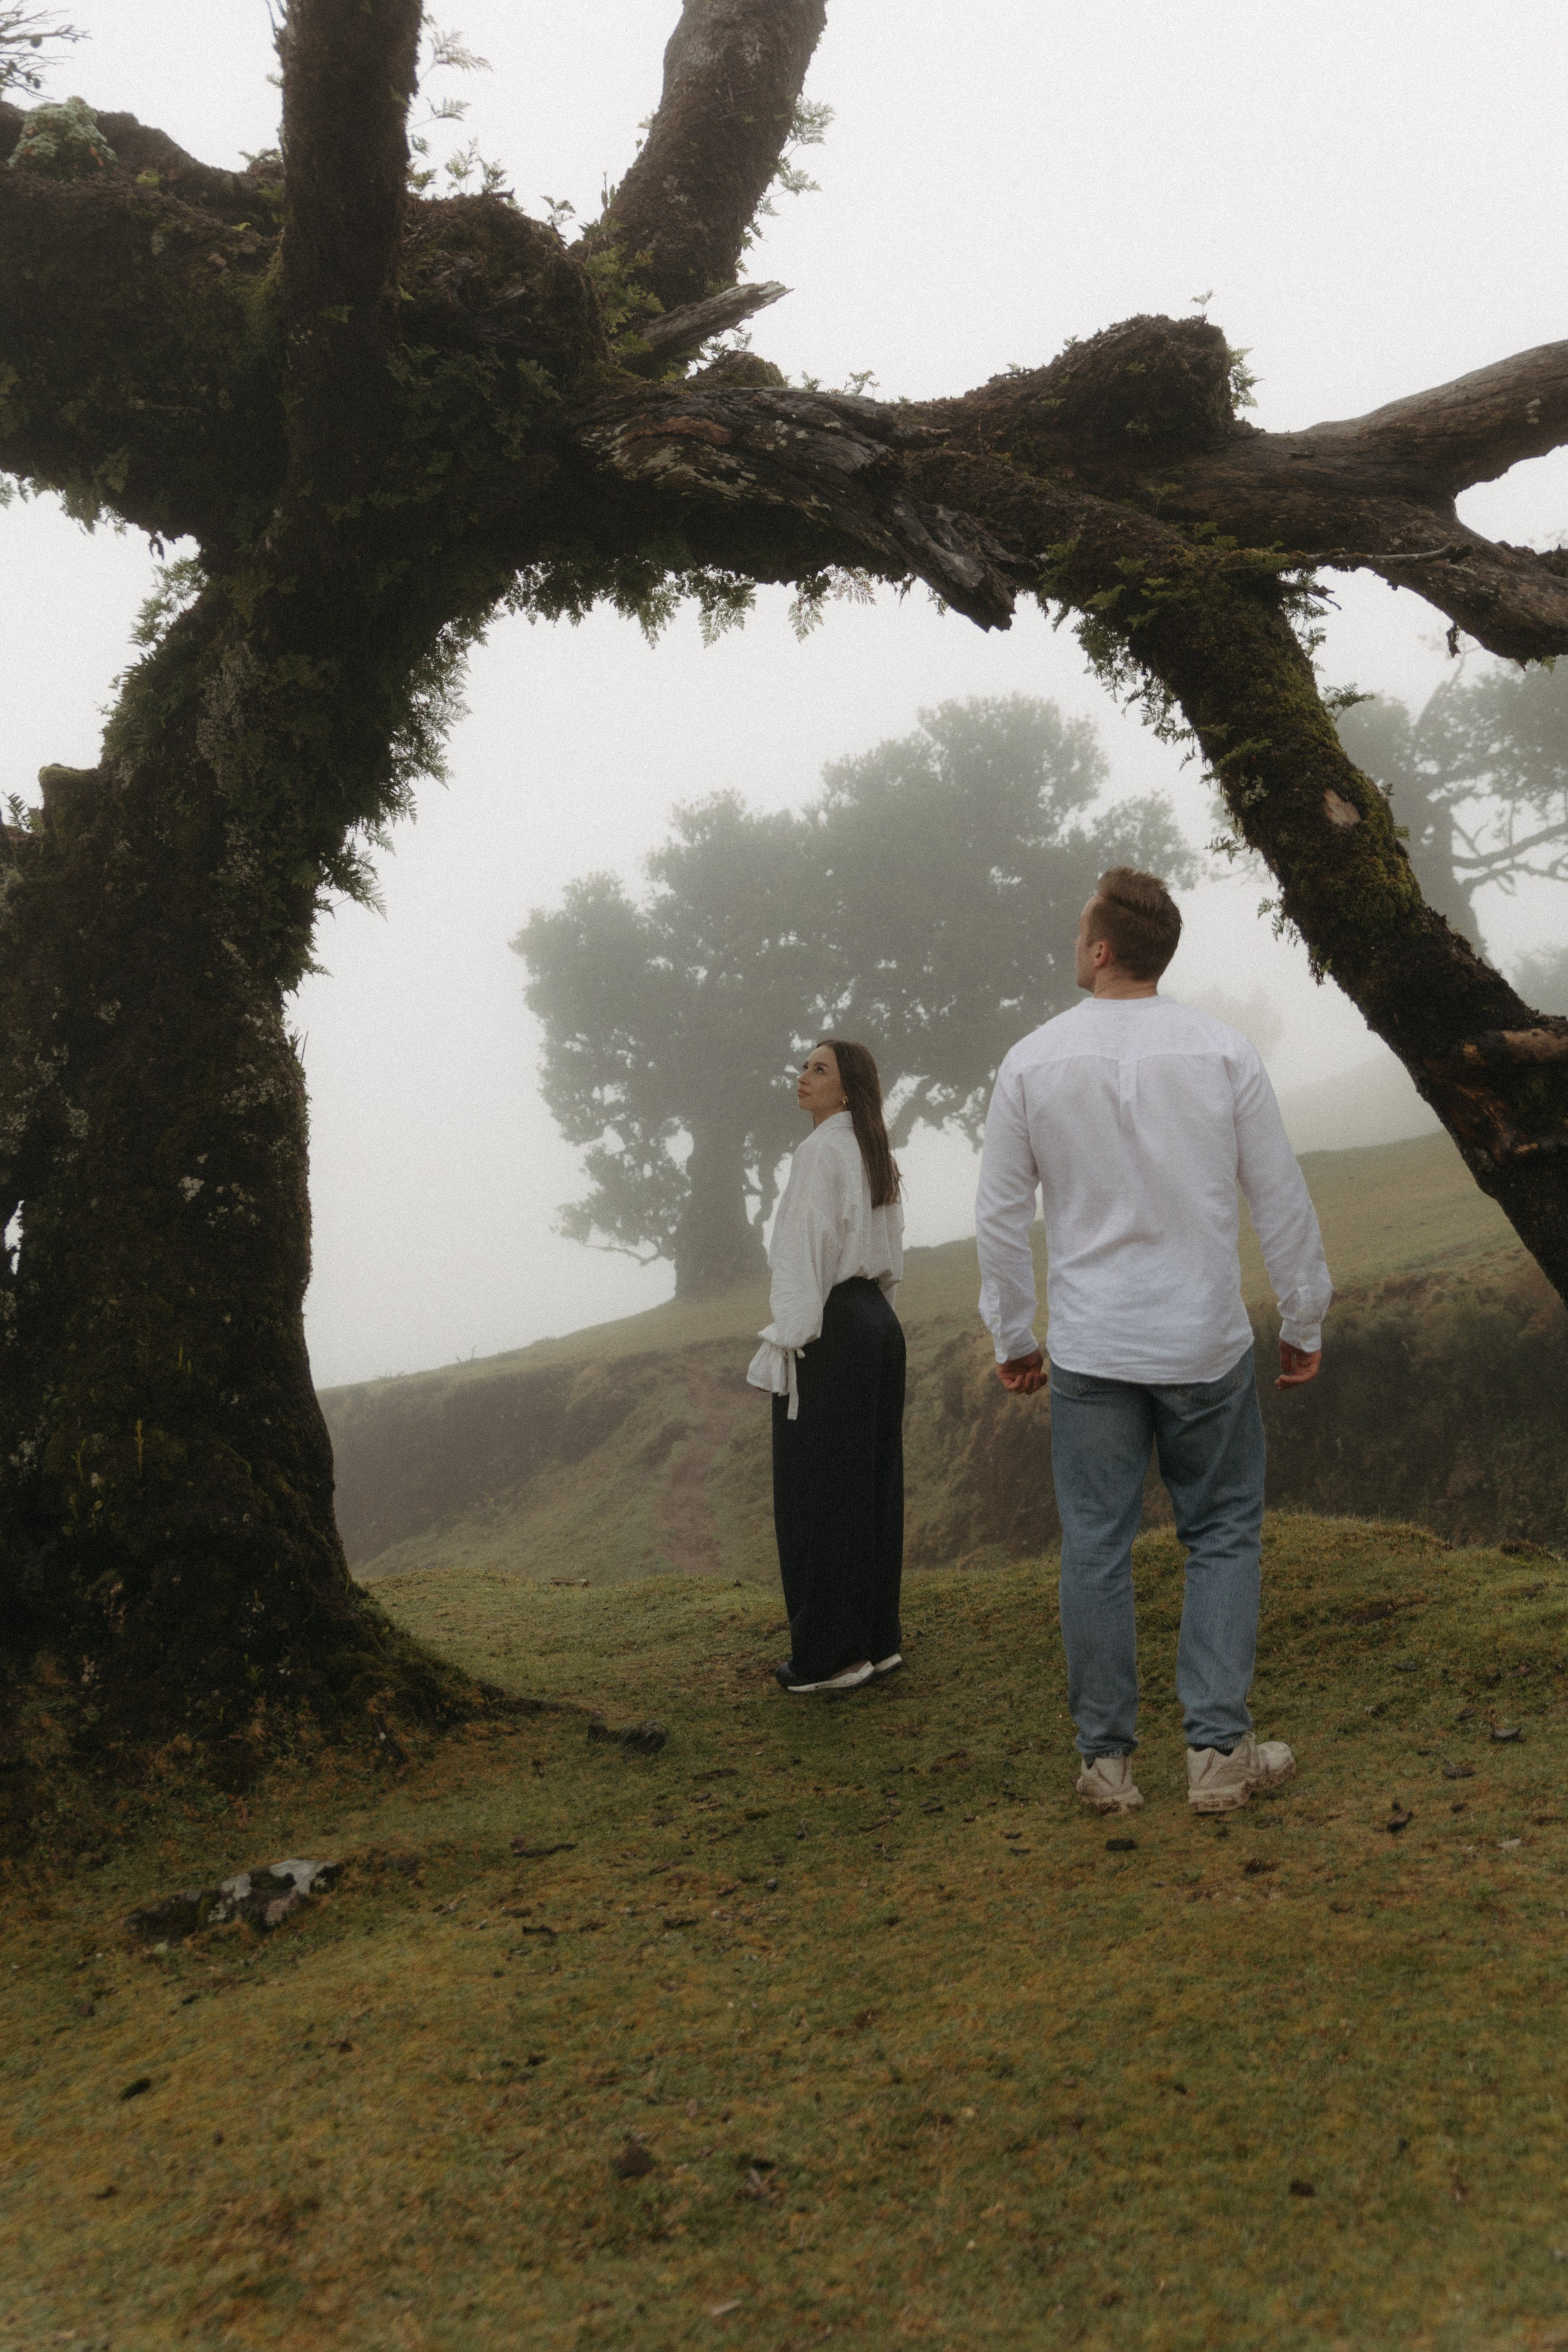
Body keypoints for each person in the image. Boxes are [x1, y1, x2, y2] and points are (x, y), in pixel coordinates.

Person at [974, 868, 1332, 1815]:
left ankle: (1107, 1767)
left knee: (1095, 1546)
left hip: (1093, 1346)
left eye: (1077, 930)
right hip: (1203, 1339)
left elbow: (1001, 1216)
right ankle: (1217, 1756)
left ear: (1101, 950)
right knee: (1222, 1534)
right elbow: (1279, 1194)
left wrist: (1014, 1334)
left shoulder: (1031, 1061)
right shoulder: (1221, 1051)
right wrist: (1303, 1316)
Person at [747, 1039, 907, 1695]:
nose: (803, 1076)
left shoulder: (820, 1151)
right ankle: (875, 1640)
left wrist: (790, 1337)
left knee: (819, 1493)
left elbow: (805, 1249)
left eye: (820, 1069)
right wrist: (873, 1322)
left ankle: (831, 1656)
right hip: (875, 1324)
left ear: (847, 1089)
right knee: (869, 1485)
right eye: (804, 1066)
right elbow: (890, 1247)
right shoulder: (870, 1149)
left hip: (833, 1327)